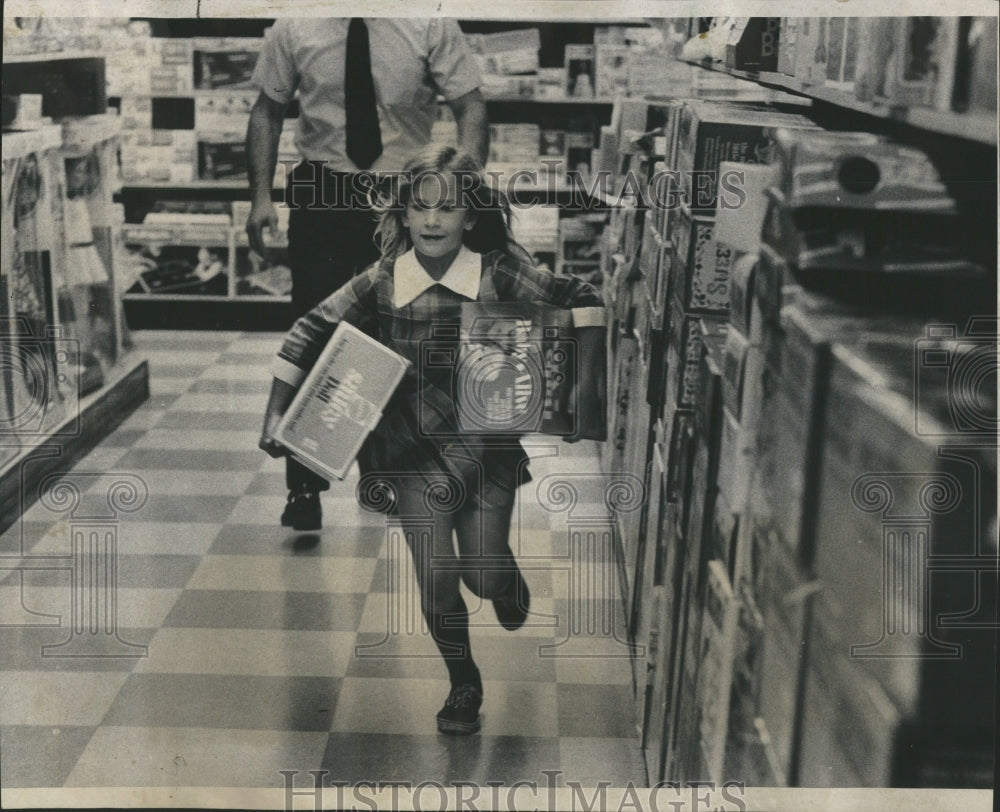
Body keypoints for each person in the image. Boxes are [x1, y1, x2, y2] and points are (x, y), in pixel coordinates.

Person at [259, 146, 607, 734]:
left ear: (471, 216)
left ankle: (503, 577)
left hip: (487, 448)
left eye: (448, 207)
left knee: (481, 574)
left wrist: (585, 387)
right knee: (439, 577)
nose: (433, 220)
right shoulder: (386, 280)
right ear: (401, 217)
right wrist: (275, 416)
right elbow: (308, 330)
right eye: (419, 208)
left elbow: (584, 296)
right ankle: (463, 680)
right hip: (409, 452)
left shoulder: (499, 271)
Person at [246, 18, 489, 531]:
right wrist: (261, 198)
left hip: (405, 192)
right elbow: (267, 111)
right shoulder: (296, 23)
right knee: (318, 332)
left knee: (404, 333)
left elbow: (471, 105)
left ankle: (385, 475)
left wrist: (463, 190)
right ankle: (305, 484)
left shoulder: (429, 22)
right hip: (322, 189)